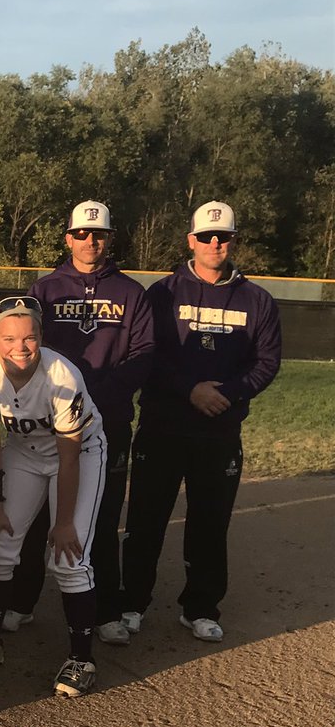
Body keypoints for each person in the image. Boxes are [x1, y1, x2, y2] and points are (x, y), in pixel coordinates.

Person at [121, 201, 282, 643]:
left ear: (233, 241)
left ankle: (201, 606)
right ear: (190, 240)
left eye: (224, 236)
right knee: (146, 519)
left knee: (211, 523)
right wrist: (190, 389)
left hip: (220, 430)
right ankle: (132, 602)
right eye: (207, 236)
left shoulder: (256, 299)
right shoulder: (163, 293)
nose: (216, 243)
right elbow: (148, 355)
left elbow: (267, 363)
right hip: (163, 425)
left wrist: (226, 393)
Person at [4, 201, 154, 644]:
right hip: (44, 420)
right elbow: (25, 347)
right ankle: (22, 600)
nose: (91, 241)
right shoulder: (46, 289)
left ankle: (106, 608)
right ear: (68, 238)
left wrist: (90, 399)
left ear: (109, 239)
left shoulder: (131, 293)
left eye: (100, 234)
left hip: (107, 419)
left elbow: (143, 354)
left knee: (102, 516)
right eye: (82, 234)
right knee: (34, 515)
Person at [0, 297, 107, 697]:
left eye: (30, 337)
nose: (20, 346)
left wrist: (62, 524)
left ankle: (82, 658)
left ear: (42, 337)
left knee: (70, 557)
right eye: (9, 337)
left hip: (80, 453)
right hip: (24, 451)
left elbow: (68, 455)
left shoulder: (62, 374)